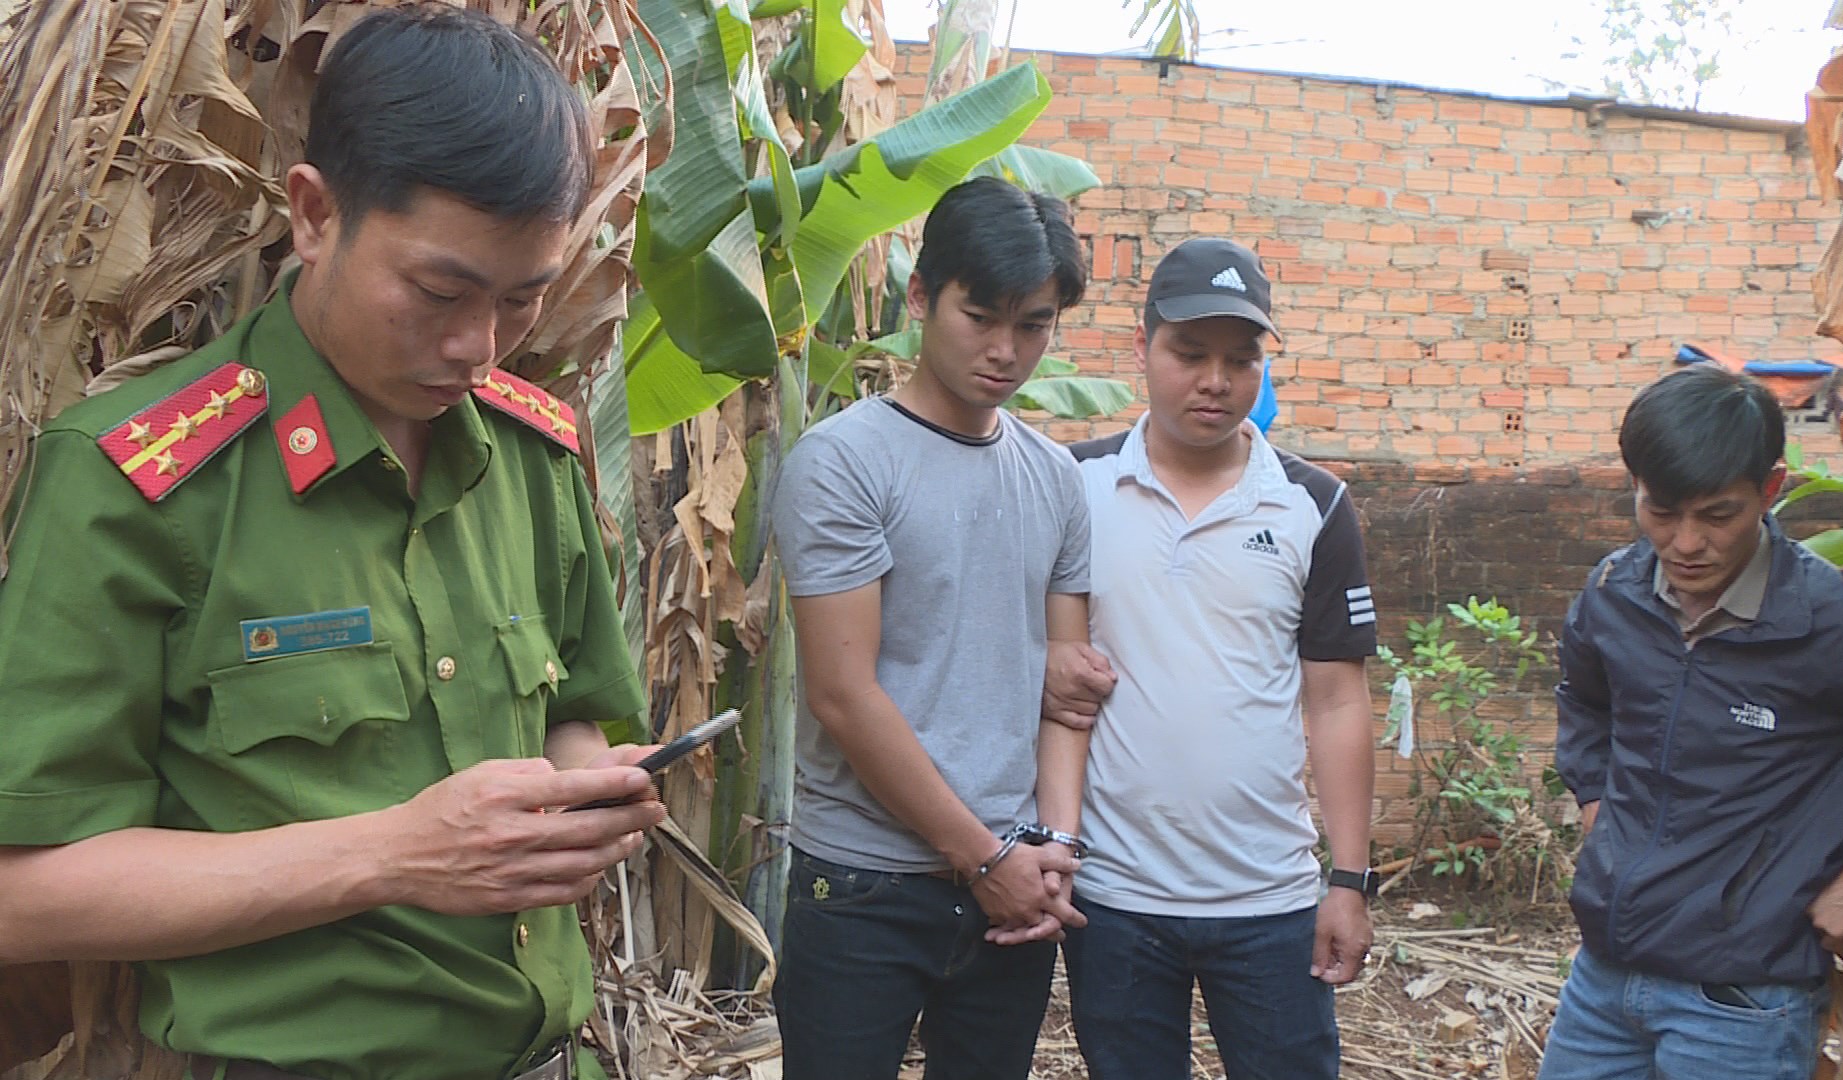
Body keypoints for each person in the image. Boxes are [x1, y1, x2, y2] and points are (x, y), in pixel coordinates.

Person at [0, 8, 666, 1079]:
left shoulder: (531, 458)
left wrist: (583, 796)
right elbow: (22, 895)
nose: (477, 346)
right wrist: (397, 855)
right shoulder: (142, 484)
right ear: (314, 215)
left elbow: (577, 710)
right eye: (439, 292)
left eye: (524, 298)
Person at [767, 175, 1094, 1080]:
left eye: (1033, 325)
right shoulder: (845, 462)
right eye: (979, 315)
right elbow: (842, 692)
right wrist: (984, 854)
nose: (1005, 350)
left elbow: (1067, 693)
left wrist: (1054, 849)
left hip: (1016, 889)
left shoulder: (1056, 479)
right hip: (864, 883)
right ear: (921, 295)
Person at [1041, 237, 1380, 1080]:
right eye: (1189, 354)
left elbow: (1337, 701)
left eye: (1242, 359)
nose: (1216, 380)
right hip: (1115, 899)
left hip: (1269, 899)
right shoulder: (1074, 486)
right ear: (1143, 348)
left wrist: (1349, 879)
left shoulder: (1315, 503)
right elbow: (1054, 671)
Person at [1539, 364, 1843, 1080]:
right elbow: (1584, 701)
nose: (1685, 543)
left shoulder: (1841, 627)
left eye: (1717, 515)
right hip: (1604, 982)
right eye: (1660, 511)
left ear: (1769, 490)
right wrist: (1594, 797)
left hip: (1743, 1003)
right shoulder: (1614, 594)